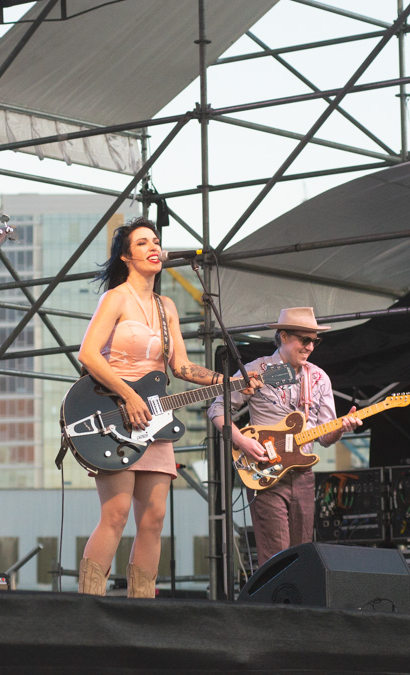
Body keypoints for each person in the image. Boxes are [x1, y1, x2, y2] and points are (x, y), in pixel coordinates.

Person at [76, 218, 255, 598]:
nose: (153, 247)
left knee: (154, 518)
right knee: (116, 514)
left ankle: (141, 606)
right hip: (115, 413)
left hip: (155, 420)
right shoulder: (116, 298)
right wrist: (128, 394)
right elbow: (89, 354)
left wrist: (230, 382)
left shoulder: (166, 306)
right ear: (127, 256)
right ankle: (88, 606)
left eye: (156, 241)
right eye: (143, 243)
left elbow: (182, 368)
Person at [208, 307, 362, 567]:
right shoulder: (257, 371)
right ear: (284, 336)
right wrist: (243, 441)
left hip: (303, 474)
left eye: (315, 340)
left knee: (302, 556)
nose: (311, 346)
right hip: (266, 472)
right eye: (305, 340)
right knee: (275, 557)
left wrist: (341, 428)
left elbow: (325, 437)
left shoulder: (319, 378)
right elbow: (217, 409)